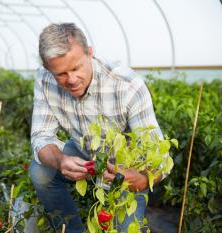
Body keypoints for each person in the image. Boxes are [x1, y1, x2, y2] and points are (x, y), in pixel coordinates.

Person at [29, 23, 166, 233]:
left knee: (124, 228)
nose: (72, 80)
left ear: (90, 53)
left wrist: (142, 179)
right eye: (61, 74)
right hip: (83, 155)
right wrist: (60, 160)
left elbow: (159, 156)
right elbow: (41, 135)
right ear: (49, 69)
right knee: (40, 171)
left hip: (123, 169)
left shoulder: (127, 86)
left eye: (76, 68)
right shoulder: (45, 78)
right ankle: (72, 230)